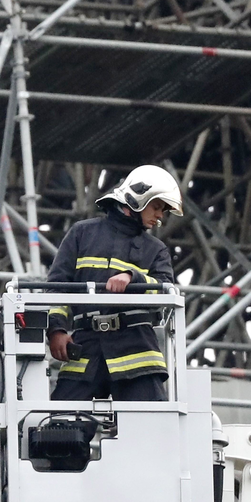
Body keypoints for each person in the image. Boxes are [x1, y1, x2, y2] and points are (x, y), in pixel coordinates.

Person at [46, 165, 182, 401]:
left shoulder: (156, 250)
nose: (160, 215)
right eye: (157, 207)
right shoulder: (82, 234)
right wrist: (56, 330)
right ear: (138, 200)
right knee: (59, 429)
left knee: (152, 428)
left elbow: (165, 291)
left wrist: (133, 278)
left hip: (137, 353)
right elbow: (58, 286)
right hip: (85, 348)